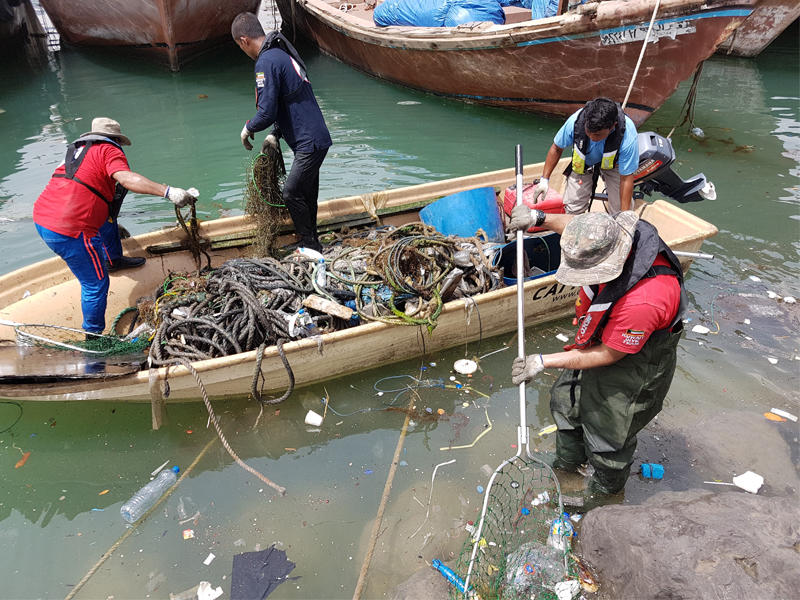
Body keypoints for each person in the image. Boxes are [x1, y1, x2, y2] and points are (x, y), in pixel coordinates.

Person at [507, 205, 686, 496]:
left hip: (635, 361)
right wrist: (539, 218)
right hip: (599, 336)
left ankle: (604, 494)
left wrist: (542, 361)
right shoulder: (608, 234)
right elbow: (575, 226)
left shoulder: (645, 299)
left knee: (609, 434)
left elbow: (609, 355)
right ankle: (567, 467)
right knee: (567, 401)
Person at [33, 117, 198, 335]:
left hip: (43, 217)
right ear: (115, 140)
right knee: (95, 284)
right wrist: (168, 191)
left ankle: (114, 259)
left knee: (108, 217)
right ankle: (93, 339)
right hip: (71, 229)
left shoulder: (77, 151)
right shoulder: (109, 150)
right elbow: (126, 178)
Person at [232, 12, 332, 252]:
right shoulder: (281, 54)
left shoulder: (265, 62)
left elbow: (266, 112)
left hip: (308, 141)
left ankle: (309, 244)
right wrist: (276, 133)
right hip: (315, 137)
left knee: (291, 193)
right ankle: (311, 242)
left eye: (240, 46)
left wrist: (248, 128)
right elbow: (288, 103)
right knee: (306, 193)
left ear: (244, 40)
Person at [533, 97, 639, 214]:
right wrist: (544, 180)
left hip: (614, 164)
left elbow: (626, 178)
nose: (592, 137)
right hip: (583, 163)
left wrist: (624, 215)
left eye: (598, 135)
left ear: (613, 126)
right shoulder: (575, 122)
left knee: (622, 210)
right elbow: (556, 148)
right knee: (573, 208)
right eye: (588, 132)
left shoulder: (627, 134)